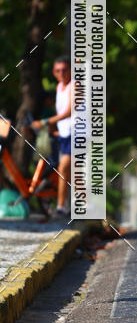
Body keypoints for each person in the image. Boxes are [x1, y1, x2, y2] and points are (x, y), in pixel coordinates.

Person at [32, 56, 72, 217]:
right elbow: (61, 114)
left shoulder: (74, 86)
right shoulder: (58, 87)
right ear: (54, 72)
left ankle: (61, 207)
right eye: (57, 70)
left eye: (64, 70)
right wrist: (53, 129)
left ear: (70, 70)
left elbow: (70, 111)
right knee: (70, 172)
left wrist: (45, 122)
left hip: (76, 134)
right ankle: (84, 206)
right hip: (64, 134)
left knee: (63, 168)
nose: (61, 73)